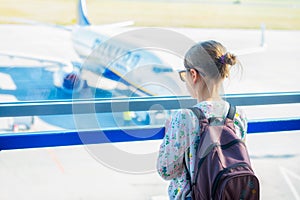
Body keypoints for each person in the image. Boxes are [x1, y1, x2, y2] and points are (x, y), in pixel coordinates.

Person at [156, 40, 247, 200]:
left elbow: (166, 170)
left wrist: (171, 132)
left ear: (193, 75)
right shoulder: (237, 114)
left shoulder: (184, 117)